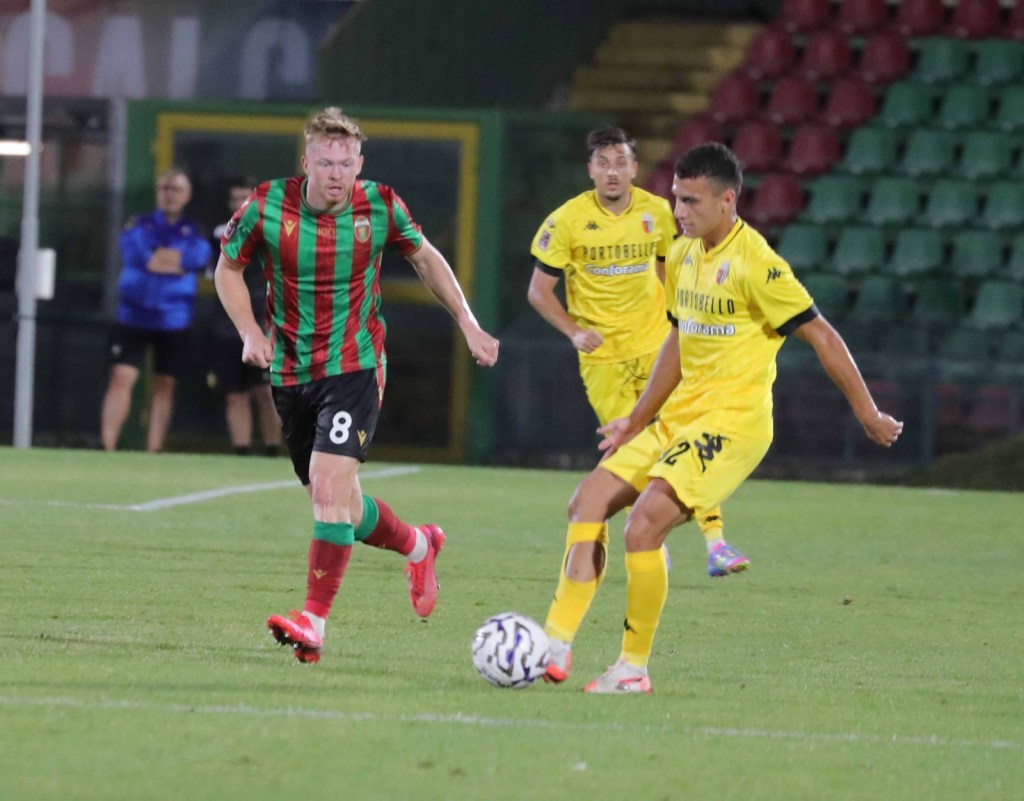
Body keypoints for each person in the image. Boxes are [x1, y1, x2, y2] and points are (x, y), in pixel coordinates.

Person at [569, 143, 902, 694]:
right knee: (588, 502)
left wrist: (867, 412)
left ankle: (631, 669)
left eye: (692, 201)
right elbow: (678, 340)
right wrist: (635, 418)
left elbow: (821, 333)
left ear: (728, 200)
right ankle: (561, 638)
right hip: (681, 415)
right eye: (676, 199)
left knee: (644, 523)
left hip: (734, 423)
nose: (679, 211)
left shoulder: (759, 265)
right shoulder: (680, 255)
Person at [214, 107, 499, 664]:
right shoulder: (267, 205)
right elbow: (227, 270)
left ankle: (313, 622)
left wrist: (467, 321)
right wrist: (250, 332)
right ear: (307, 163)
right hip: (292, 371)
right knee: (339, 503)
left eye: (346, 162)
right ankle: (419, 543)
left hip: (356, 366)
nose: (337, 173)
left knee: (326, 487)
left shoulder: (381, 204)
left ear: (360, 163)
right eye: (326, 162)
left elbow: (426, 259)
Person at [100, 169, 212, 452]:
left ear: (187, 196)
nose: (170, 194)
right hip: (132, 315)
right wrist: (170, 260)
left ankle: (154, 449)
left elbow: (197, 258)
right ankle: (107, 446)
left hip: (174, 319)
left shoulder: (193, 231)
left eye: (176, 189)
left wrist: (161, 257)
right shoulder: (139, 224)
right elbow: (139, 257)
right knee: (121, 377)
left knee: (164, 383)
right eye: (165, 188)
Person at [206, 175, 282, 456]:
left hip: (266, 322)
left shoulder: (273, 230)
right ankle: (242, 450)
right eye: (234, 198)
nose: (239, 203)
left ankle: (272, 449)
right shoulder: (221, 234)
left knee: (266, 392)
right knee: (234, 392)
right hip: (228, 325)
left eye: (244, 198)